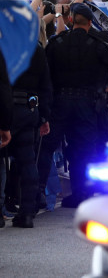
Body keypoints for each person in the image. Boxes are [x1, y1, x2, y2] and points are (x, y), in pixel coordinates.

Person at [38, 3, 108, 208]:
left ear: (70, 21)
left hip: (59, 103)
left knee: (47, 147)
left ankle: (36, 194)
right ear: (90, 23)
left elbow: (43, 73)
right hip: (88, 105)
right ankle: (81, 194)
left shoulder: (57, 43)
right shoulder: (99, 45)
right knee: (83, 149)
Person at [4, 44, 51, 228]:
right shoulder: (35, 48)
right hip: (27, 108)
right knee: (28, 162)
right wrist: (44, 116)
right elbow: (45, 85)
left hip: (4, 105)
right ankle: (27, 213)